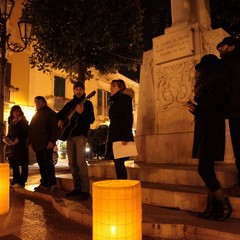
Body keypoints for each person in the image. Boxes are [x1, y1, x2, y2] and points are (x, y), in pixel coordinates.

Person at [187, 54, 232, 221]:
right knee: (205, 169)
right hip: (205, 130)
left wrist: (200, 107)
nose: (198, 74)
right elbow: (206, 110)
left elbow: (216, 110)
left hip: (211, 131)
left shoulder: (218, 86)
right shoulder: (209, 87)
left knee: (204, 169)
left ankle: (224, 204)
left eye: (201, 71)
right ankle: (212, 206)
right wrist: (195, 109)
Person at [57, 81, 95, 200]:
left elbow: (91, 120)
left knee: (80, 162)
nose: (78, 91)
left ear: (84, 91)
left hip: (80, 136)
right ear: (74, 90)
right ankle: (76, 188)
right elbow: (60, 114)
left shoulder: (87, 104)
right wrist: (60, 120)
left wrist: (82, 113)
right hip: (69, 136)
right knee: (72, 163)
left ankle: (85, 190)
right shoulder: (70, 104)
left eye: (81, 89)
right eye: (76, 89)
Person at [217, 36, 240, 189]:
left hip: (235, 112)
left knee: (238, 147)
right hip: (235, 110)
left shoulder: (226, 65)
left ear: (231, 47)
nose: (219, 50)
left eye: (222, 47)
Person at [105, 79, 134, 179]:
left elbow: (128, 118)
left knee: (119, 163)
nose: (111, 88)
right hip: (114, 135)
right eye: (111, 86)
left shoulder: (125, 99)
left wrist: (125, 136)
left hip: (121, 136)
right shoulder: (114, 101)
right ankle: (121, 185)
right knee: (117, 163)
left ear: (120, 87)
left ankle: (123, 186)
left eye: (113, 86)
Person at [28, 96, 58, 192]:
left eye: (39, 102)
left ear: (44, 102)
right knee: (41, 165)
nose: (37, 104)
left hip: (47, 143)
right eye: (35, 102)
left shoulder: (50, 113)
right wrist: (30, 142)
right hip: (37, 144)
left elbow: (54, 129)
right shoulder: (35, 115)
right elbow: (31, 129)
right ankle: (44, 183)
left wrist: (52, 141)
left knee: (48, 164)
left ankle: (52, 183)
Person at [6, 105, 29, 188]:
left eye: (17, 111)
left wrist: (19, 138)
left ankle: (22, 181)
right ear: (12, 112)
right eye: (14, 111)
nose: (16, 113)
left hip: (21, 145)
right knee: (14, 163)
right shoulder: (11, 121)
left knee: (23, 163)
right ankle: (15, 179)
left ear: (20, 112)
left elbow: (26, 133)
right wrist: (7, 138)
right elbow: (10, 133)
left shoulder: (24, 121)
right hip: (13, 146)